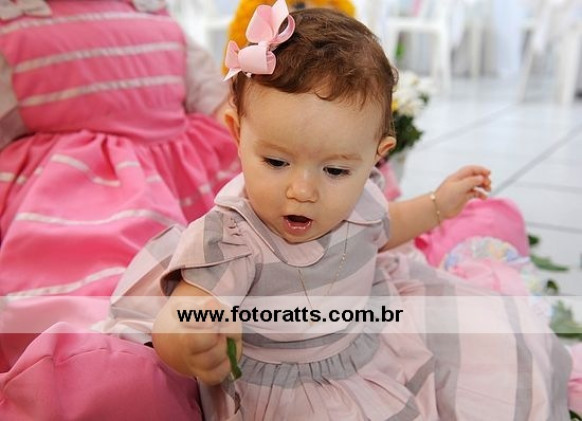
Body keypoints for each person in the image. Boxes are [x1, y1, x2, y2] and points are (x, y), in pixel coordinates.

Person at [150, 2, 571, 420]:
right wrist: (190, 338)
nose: (302, 191)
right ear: (237, 134)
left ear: (376, 157)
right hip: (289, 389)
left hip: (370, 340)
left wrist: (437, 206)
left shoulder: (360, 199)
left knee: (494, 351)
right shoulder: (234, 236)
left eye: (334, 170)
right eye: (276, 162)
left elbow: (383, 228)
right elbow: (186, 308)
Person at [0, 0, 239, 418]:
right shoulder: (15, 25)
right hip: (70, 203)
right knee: (85, 300)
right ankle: (97, 380)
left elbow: (220, 104)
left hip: (185, 187)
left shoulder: (152, 15)